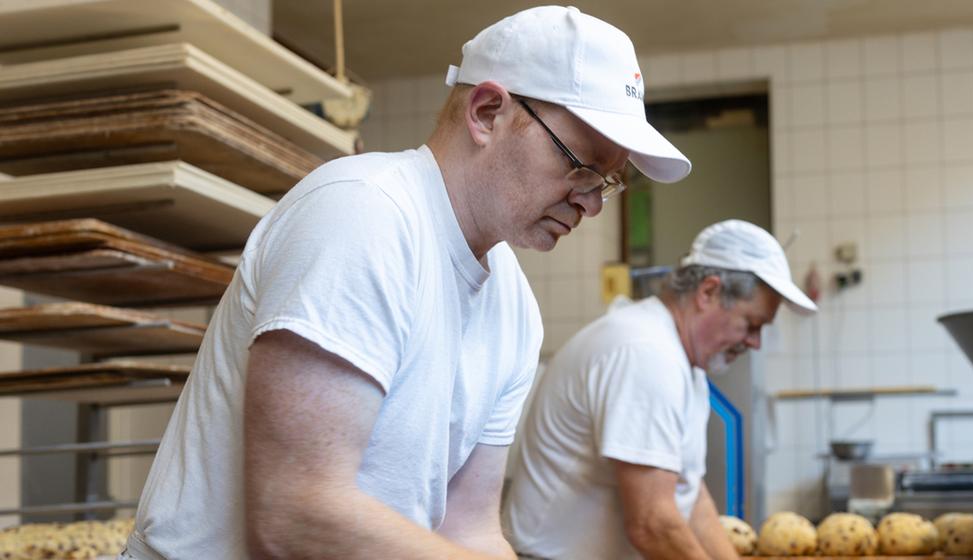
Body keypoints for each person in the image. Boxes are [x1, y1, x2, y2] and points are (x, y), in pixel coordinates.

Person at [121, 6, 690, 559]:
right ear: (488, 111)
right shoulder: (362, 214)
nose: (591, 202)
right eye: (580, 163)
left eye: (608, 181)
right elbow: (295, 516)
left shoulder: (514, 306)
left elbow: (469, 528)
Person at [503, 220, 817, 559]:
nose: (755, 343)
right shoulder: (646, 354)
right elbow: (652, 523)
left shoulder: (681, 360)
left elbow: (690, 497)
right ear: (708, 291)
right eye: (752, 324)